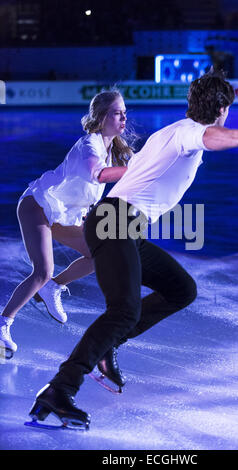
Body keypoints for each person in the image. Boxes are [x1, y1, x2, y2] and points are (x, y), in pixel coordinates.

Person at [27, 69, 238, 430]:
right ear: (223, 109)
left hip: (124, 226)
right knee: (124, 312)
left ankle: (106, 348)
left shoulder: (171, 132)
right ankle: (59, 390)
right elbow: (209, 137)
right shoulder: (187, 133)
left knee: (181, 289)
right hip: (114, 221)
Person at [0, 89, 132, 361]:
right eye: (117, 113)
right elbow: (99, 174)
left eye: (124, 114)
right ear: (102, 117)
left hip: (62, 213)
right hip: (38, 204)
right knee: (42, 271)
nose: (123, 119)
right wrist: (137, 169)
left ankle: (53, 287)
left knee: (100, 254)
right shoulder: (89, 146)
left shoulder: (111, 151)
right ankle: (3, 323)